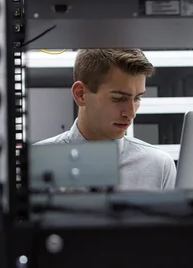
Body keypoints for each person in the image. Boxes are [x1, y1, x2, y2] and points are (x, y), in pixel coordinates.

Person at [35, 48, 177, 190]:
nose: (131, 113)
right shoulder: (36, 163)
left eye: (137, 98)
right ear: (81, 94)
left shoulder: (160, 167)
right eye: (119, 98)